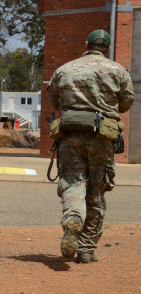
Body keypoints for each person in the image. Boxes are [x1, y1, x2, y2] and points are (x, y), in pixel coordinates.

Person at [47, 30, 134, 263]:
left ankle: (72, 219)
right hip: (102, 139)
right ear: (107, 47)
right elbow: (125, 104)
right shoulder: (118, 71)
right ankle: (86, 249)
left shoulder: (63, 70)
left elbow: (53, 101)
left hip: (70, 138)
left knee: (73, 184)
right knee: (96, 192)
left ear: (86, 44)